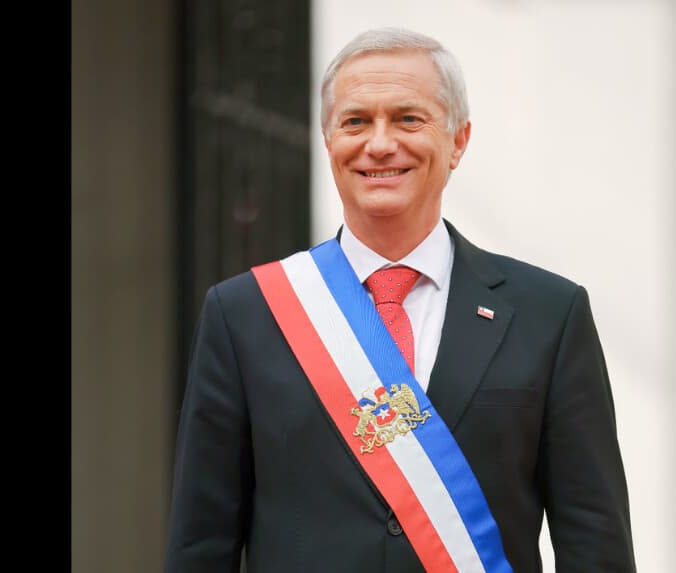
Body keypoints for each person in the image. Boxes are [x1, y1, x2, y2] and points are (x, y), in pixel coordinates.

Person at [164, 27, 635, 572]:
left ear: (458, 140)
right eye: (356, 121)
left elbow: (595, 540)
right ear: (328, 140)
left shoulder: (550, 313)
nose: (380, 143)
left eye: (409, 118)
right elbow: (201, 542)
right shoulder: (245, 313)